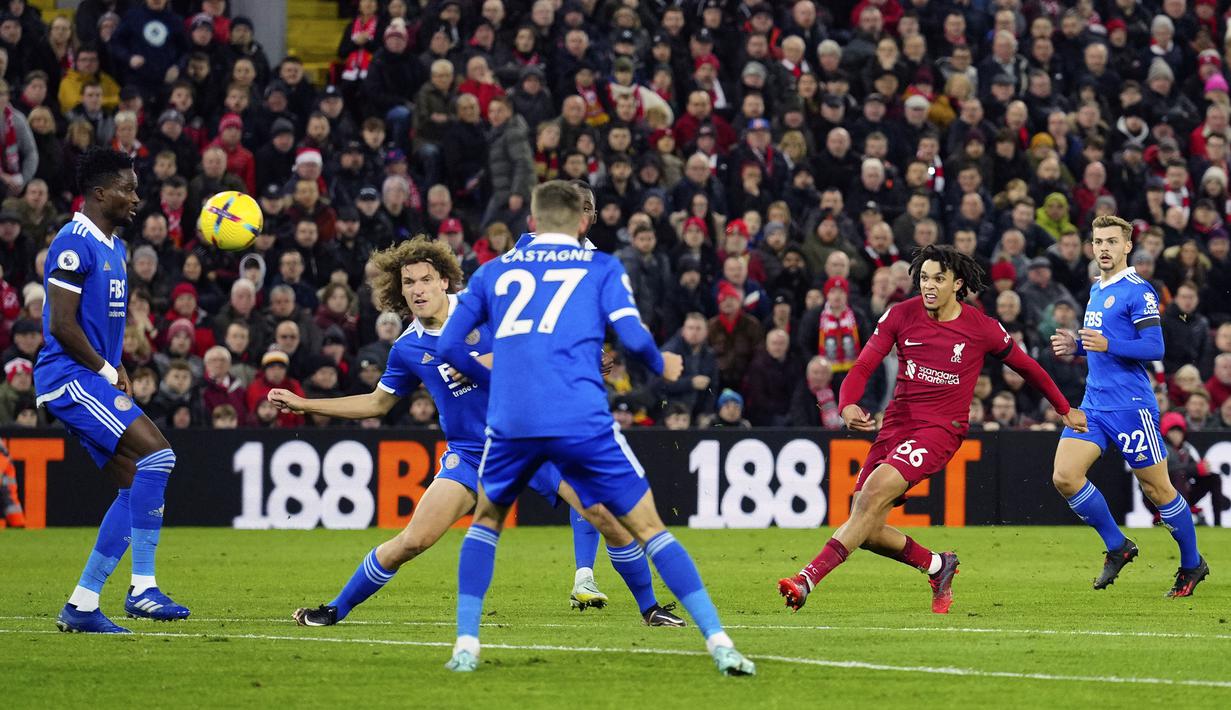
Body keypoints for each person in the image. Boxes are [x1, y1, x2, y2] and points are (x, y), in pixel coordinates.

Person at [269, 238, 683, 628]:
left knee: (607, 517)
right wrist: (305, 404)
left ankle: (650, 609)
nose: (417, 288)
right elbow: (377, 403)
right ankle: (334, 610)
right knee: (414, 540)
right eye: (408, 282)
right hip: (472, 454)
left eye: (426, 279)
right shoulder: (408, 348)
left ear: (445, 280)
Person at [437, 180, 753, 675]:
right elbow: (633, 336)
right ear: (584, 222)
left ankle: (464, 645)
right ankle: (719, 642)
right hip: (579, 416)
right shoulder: (602, 266)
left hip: (513, 421)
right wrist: (662, 365)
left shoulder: (492, 272)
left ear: (533, 221)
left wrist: (497, 380)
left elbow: (450, 350)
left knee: (486, 523)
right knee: (648, 527)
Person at [777, 244, 1084, 615]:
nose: (929, 285)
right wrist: (847, 404)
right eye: (924, 278)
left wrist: (1064, 408)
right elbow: (862, 366)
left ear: (957, 283)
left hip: (940, 430)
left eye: (938, 278)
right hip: (896, 425)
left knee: (871, 496)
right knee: (868, 525)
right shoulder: (900, 315)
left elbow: (1028, 368)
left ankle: (806, 579)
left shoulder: (982, 328)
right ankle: (938, 566)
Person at [34, 148, 187, 633]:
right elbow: (60, 324)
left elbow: (94, 322)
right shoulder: (73, 243)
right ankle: (143, 589)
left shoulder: (112, 246)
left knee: (133, 484)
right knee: (158, 457)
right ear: (100, 193)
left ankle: (81, 605)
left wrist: (114, 361)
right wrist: (102, 367)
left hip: (91, 374)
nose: (136, 198)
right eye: (128, 188)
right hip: (67, 378)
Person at [1049, 215, 1208, 597]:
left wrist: (1106, 345)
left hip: (1131, 406)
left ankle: (1192, 564)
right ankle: (1118, 545)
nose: (1103, 247)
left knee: (1158, 490)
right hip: (1094, 403)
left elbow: (1155, 348)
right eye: (1097, 241)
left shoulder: (1140, 290)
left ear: (1127, 246)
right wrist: (1078, 345)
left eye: (1110, 241)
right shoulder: (1097, 289)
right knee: (1065, 476)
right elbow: (1102, 339)